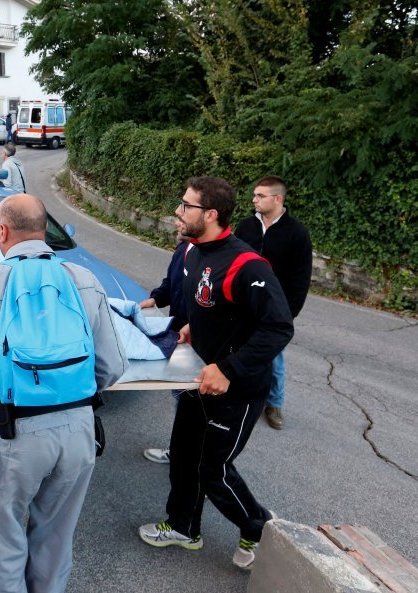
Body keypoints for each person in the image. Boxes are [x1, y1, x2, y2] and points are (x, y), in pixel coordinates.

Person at [0, 193, 128, 593]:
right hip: (80, 431)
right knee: (57, 534)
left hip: (15, 434)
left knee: (4, 532)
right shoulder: (85, 281)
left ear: (2, 231)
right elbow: (111, 368)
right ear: (44, 232)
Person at [138, 176, 292, 570]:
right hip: (197, 379)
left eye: (185, 205)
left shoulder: (247, 265)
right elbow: (205, 306)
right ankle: (184, 527)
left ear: (210, 214)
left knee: (213, 471)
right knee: (184, 459)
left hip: (237, 389)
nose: (177, 211)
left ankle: (259, 527)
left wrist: (228, 367)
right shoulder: (191, 252)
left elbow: (278, 327)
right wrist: (191, 328)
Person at [234, 175, 312, 431]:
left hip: (275, 309)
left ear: (278, 199)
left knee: (273, 357)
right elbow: (233, 262)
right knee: (237, 348)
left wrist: (288, 313)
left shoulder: (297, 233)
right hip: (243, 304)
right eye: (255, 195)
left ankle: (273, 403)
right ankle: (238, 395)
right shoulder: (246, 226)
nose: (254, 200)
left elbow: (301, 277)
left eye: (260, 196)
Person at [139, 235, 190, 464]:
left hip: (200, 344)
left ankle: (195, 462)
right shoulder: (183, 250)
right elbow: (172, 283)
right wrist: (157, 298)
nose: (178, 219)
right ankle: (182, 452)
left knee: (194, 403)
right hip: (179, 338)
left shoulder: (214, 257)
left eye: (185, 210)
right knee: (182, 398)